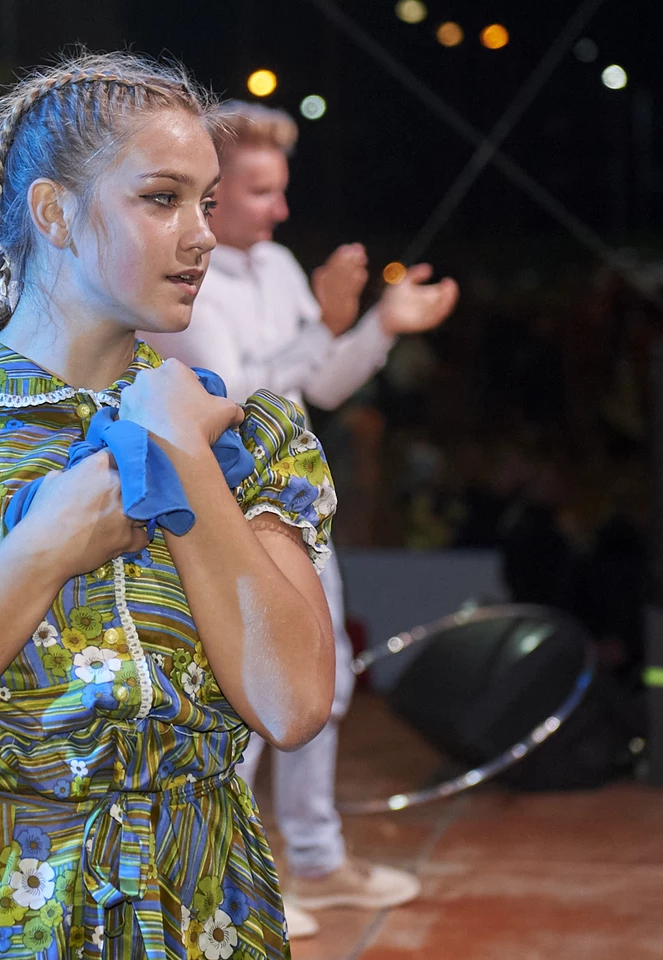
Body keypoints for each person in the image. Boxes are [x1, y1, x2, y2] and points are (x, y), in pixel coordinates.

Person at [0, 52, 338, 960]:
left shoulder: (248, 434)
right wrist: (39, 550)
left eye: (206, 201)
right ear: (53, 213)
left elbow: (294, 705)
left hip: (200, 914)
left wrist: (182, 454)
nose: (203, 234)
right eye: (162, 199)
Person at [148, 102, 459, 935]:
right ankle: (230, 875)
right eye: (260, 191)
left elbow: (317, 385)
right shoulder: (183, 271)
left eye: (280, 189)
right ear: (210, 191)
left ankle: (317, 862)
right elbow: (231, 396)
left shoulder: (278, 266)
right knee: (247, 689)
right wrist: (323, 324)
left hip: (289, 502)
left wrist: (376, 325)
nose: (279, 209)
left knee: (325, 680)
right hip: (220, 508)